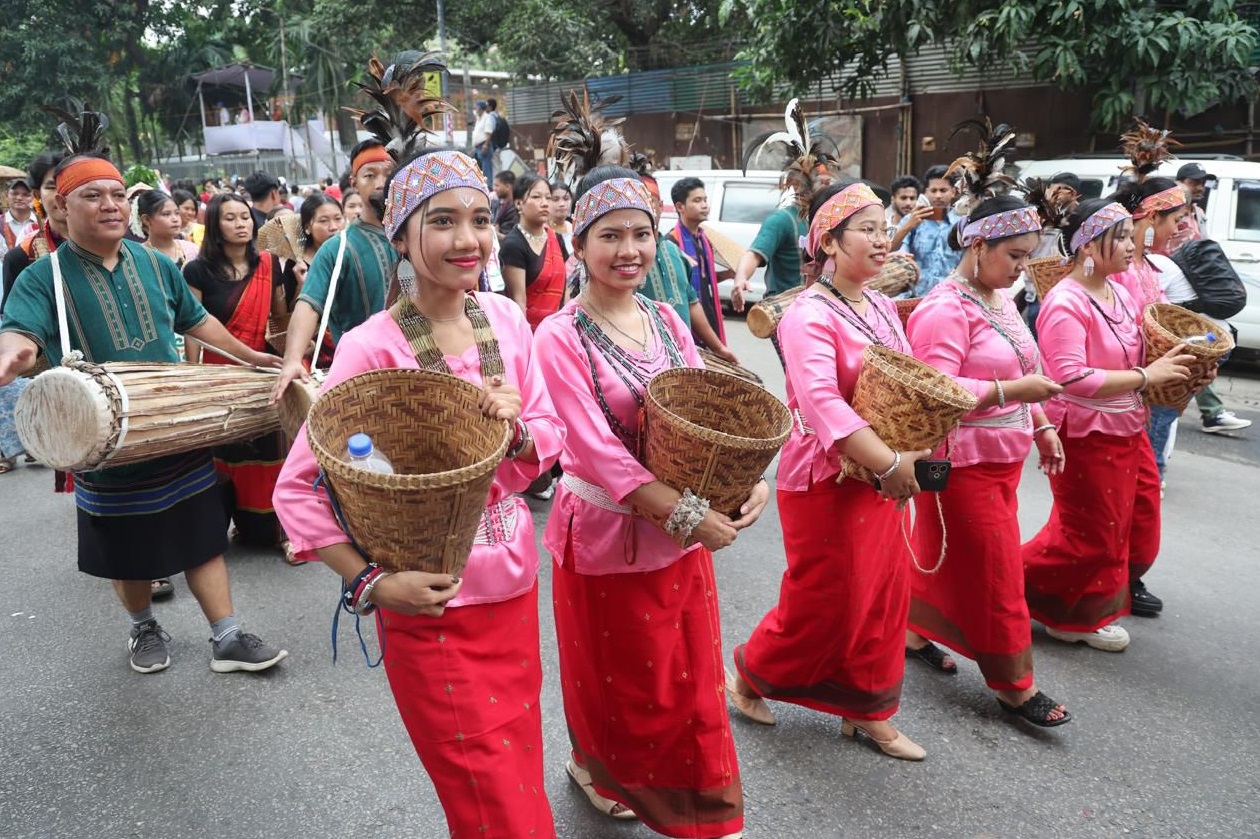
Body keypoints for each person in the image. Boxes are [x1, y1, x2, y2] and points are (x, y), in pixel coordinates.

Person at [274, 147, 563, 838]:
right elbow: (299, 488)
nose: (468, 239)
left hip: (514, 589)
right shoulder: (372, 345)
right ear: (401, 236)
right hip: (431, 608)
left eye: (478, 219)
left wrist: (517, 430)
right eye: (442, 221)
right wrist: (372, 582)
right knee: (493, 799)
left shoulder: (506, 320)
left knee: (517, 767)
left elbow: (548, 433)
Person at [535, 128, 767, 832]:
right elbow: (594, 450)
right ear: (579, 246)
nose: (629, 249)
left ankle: (694, 797)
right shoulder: (558, 335)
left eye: (642, 233)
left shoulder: (667, 317)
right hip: (610, 528)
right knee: (617, 673)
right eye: (610, 235)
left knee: (683, 674)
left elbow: (704, 419)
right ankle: (598, 766)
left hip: (680, 528)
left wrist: (743, 484)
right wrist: (687, 511)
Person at [0, 151, 287, 675]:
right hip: (101, 439)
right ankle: (144, 628)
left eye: (116, 194)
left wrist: (251, 357)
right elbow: (17, 332)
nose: (110, 205)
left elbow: (196, 320)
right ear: (63, 206)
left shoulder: (155, 263)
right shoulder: (43, 277)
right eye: (93, 196)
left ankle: (225, 637)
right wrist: (13, 353)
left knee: (202, 535)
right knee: (125, 544)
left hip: (174, 427)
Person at [728, 182, 929, 762]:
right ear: (829, 242)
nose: (882, 238)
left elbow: (905, 385)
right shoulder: (808, 315)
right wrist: (889, 462)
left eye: (884, 227)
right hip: (828, 478)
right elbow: (822, 405)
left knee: (884, 596)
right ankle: (750, 672)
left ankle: (868, 711)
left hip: (884, 473)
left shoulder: (884, 307)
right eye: (866, 228)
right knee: (825, 601)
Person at [903, 191, 1071, 727]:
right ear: (978, 246)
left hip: (1001, 457)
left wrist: (1042, 425)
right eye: (1015, 255)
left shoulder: (1001, 299)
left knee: (951, 554)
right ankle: (1015, 684)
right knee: (997, 575)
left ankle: (911, 628)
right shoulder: (943, 309)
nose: (1024, 267)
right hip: (960, 462)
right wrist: (1014, 391)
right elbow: (937, 390)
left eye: (1028, 255)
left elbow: (1030, 363)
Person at [1022, 198, 1199, 652]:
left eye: (1128, 234)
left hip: (1127, 424)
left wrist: (1185, 364)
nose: (1130, 244)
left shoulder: (1120, 289)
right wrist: (1146, 377)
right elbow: (1068, 378)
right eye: (1118, 237)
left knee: (1137, 526)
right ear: (1086, 246)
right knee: (1092, 535)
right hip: (1086, 432)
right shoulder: (1065, 301)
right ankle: (1063, 612)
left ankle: (1035, 593)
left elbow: (1143, 348)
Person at [183, 193, 290, 558]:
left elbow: (279, 318)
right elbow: (193, 327)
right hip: (219, 375)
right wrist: (194, 377)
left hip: (262, 370)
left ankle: (279, 531)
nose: (241, 224)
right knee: (224, 456)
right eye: (230, 218)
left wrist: (290, 356)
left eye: (245, 216)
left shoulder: (269, 264)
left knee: (271, 452)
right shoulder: (197, 271)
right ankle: (229, 527)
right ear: (215, 224)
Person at [271, 139, 398, 400]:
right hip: (361, 381)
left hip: (419, 373)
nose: (381, 182)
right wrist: (293, 358)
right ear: (354, 183)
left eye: (388, 174)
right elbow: (308, 304)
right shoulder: (337, 249)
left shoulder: (419, 236)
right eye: (370, 175)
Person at [637, 171, 739, 362]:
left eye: (651, 200)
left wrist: (718, 347)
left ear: (661, 207)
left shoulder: (675, 252)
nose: (647, 207)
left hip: (683, 357)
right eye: (638, 200)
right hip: (645, 361)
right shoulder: (627, 258)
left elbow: (691, 301)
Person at [499, 173, 568, 329]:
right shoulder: (513, 244)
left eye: (548, 198)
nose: (545, 203)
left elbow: (564, 290)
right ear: (518, 204)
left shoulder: (556, 239)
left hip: (557, 329)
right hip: (529, 331)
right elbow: (519, 301)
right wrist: (526, 342)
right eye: (536, 197)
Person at [2, 153, 67, 311]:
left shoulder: (107, 246)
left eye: (67, 185)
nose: (60, 195)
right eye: (51, 187)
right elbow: (15, 323)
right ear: (37, 195)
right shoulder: (21, 257)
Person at [668, 177, 728, 344]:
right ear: (680, 207)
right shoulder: (672, 243)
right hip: (690, 322)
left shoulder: (704, 239)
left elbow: (705, 279)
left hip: (708, 315)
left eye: (705, 199)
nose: (704, 205)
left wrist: (730, 274)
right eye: (697, 200)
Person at [892, 164, 962, 295]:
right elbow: (893, 251)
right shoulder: (912, 219)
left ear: (953, 192)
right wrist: (908, 226)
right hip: (915, 297)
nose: (938, 195)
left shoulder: (962, 224)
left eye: (943, 190)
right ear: (926, 192)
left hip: (952, 298)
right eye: (933, 190)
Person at [276, 192, 344, 308]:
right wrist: (302, 286)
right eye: (323, 221)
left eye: (338, 219)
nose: (333, 227)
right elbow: (290, 312)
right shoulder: (297, 264)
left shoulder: (353, 253)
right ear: (307, 227)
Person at [137, 190, 200, 269]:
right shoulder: (137, 257)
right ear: (147, 220)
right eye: (166, 214)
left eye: (177, 213)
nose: (175, 219)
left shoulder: (192, 250)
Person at [471, 99, 495, 183]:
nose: (476, 110)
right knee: (478, 169)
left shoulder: (487, 118)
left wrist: (486, 145)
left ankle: (489, 187)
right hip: (477, 147)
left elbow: (488, 133)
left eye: (477, 108)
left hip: (484, 146)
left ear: (481, 108)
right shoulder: (478, 118)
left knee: (486, 169)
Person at [491, 171, 519, 237]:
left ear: (507, 186)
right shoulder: (497, 205)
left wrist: (495, 233)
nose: (494, 189)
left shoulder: (515, 209)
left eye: (497, 185)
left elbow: (511, 238)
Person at [549, 180, 574, 251]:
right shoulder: (542, 230)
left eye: (566, 199)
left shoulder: (573, 229)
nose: (562, 204)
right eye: (555, 199)